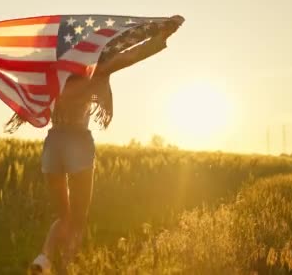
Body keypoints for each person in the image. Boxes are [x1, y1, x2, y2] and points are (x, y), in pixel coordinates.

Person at [26, 18, 183, 274]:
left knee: (62, 216)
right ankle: (65, 266)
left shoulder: (49, 71)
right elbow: (129, 55)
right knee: (78, 218)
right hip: (78, 142)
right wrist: (159, 36)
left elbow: (14, 64)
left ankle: (44, 258)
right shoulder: (94, 69)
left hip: (53, 143)